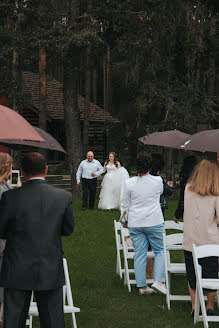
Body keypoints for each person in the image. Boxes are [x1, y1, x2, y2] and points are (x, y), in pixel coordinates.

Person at [0, 152, 74, 328]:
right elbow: (68, 229)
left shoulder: (10, 197)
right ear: (46, 170)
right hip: (49, 266)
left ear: (23, 172)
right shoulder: (62, 197)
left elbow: (1, 231)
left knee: (14, 321)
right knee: (52, 321)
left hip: (16, 267)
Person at [121, 152, 166, 295]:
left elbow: (124, 204)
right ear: (150, 166)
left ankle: (142, 287)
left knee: (139, 253)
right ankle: (159, 281)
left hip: (135, 222)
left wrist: (124, 221)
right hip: (154, 221)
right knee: (160, 251)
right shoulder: (158, 181)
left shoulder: (129, 183)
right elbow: (159, 193)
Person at [183, 160, 219, 316]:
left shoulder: (187, 189)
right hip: (210, 240)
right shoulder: (216, 192)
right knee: (211, 274)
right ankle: (209, 306)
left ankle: (194, 307)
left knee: (192, 275)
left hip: (190, 239)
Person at [174, 155, 197, 222]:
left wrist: (177, 214)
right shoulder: (199, 178)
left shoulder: (185, 181)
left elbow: (182, 199)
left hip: (190, 211)